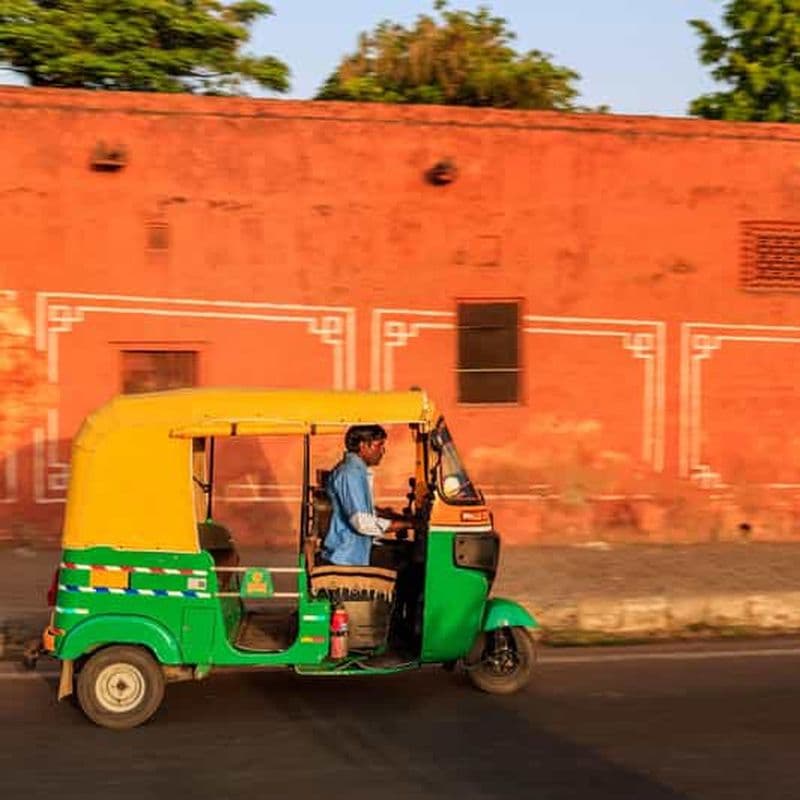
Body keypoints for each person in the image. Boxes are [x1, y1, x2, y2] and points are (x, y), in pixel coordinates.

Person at [320, 424, 411, 567]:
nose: (383, 451)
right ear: (363, 446)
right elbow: (362, 522)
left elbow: (361, 509)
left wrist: (394, 518)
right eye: (379, 445)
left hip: (354, 551)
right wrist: (407, 524)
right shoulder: (350, 473)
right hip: (346, 555)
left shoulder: (357, 471)